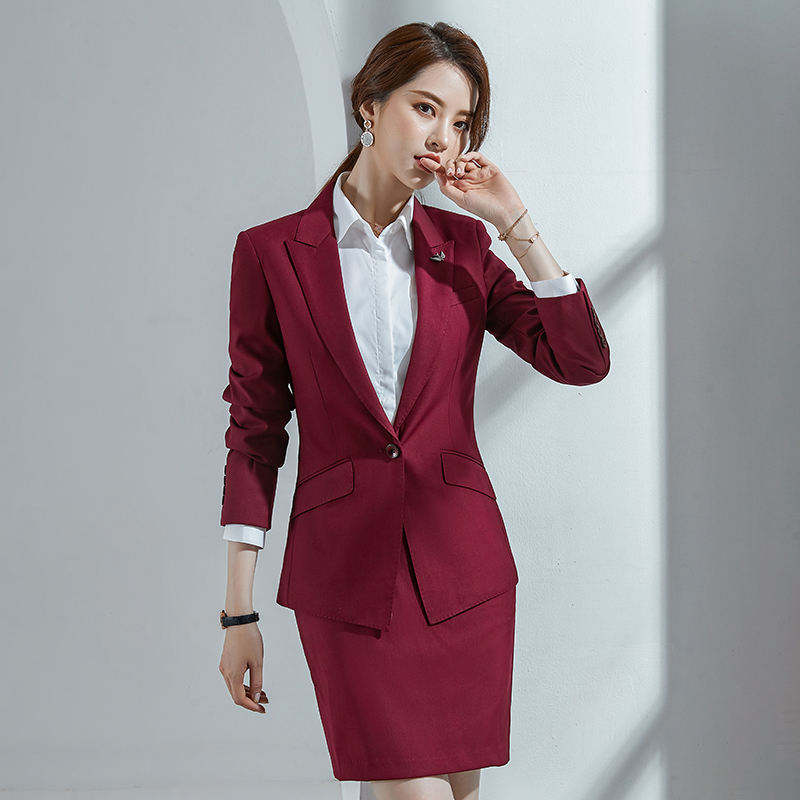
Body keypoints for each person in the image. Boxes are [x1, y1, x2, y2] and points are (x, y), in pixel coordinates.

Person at [217, 20, 610, 800]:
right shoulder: (271, 253)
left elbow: (580, 361)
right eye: (425, 108)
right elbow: (254, 432)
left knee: (458, 795)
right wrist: (238, 613)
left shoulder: (464, 248)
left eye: (460, 122)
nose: (442, 137)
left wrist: (513, 223)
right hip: (347, 583)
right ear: (370, 106)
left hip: (463, 575)